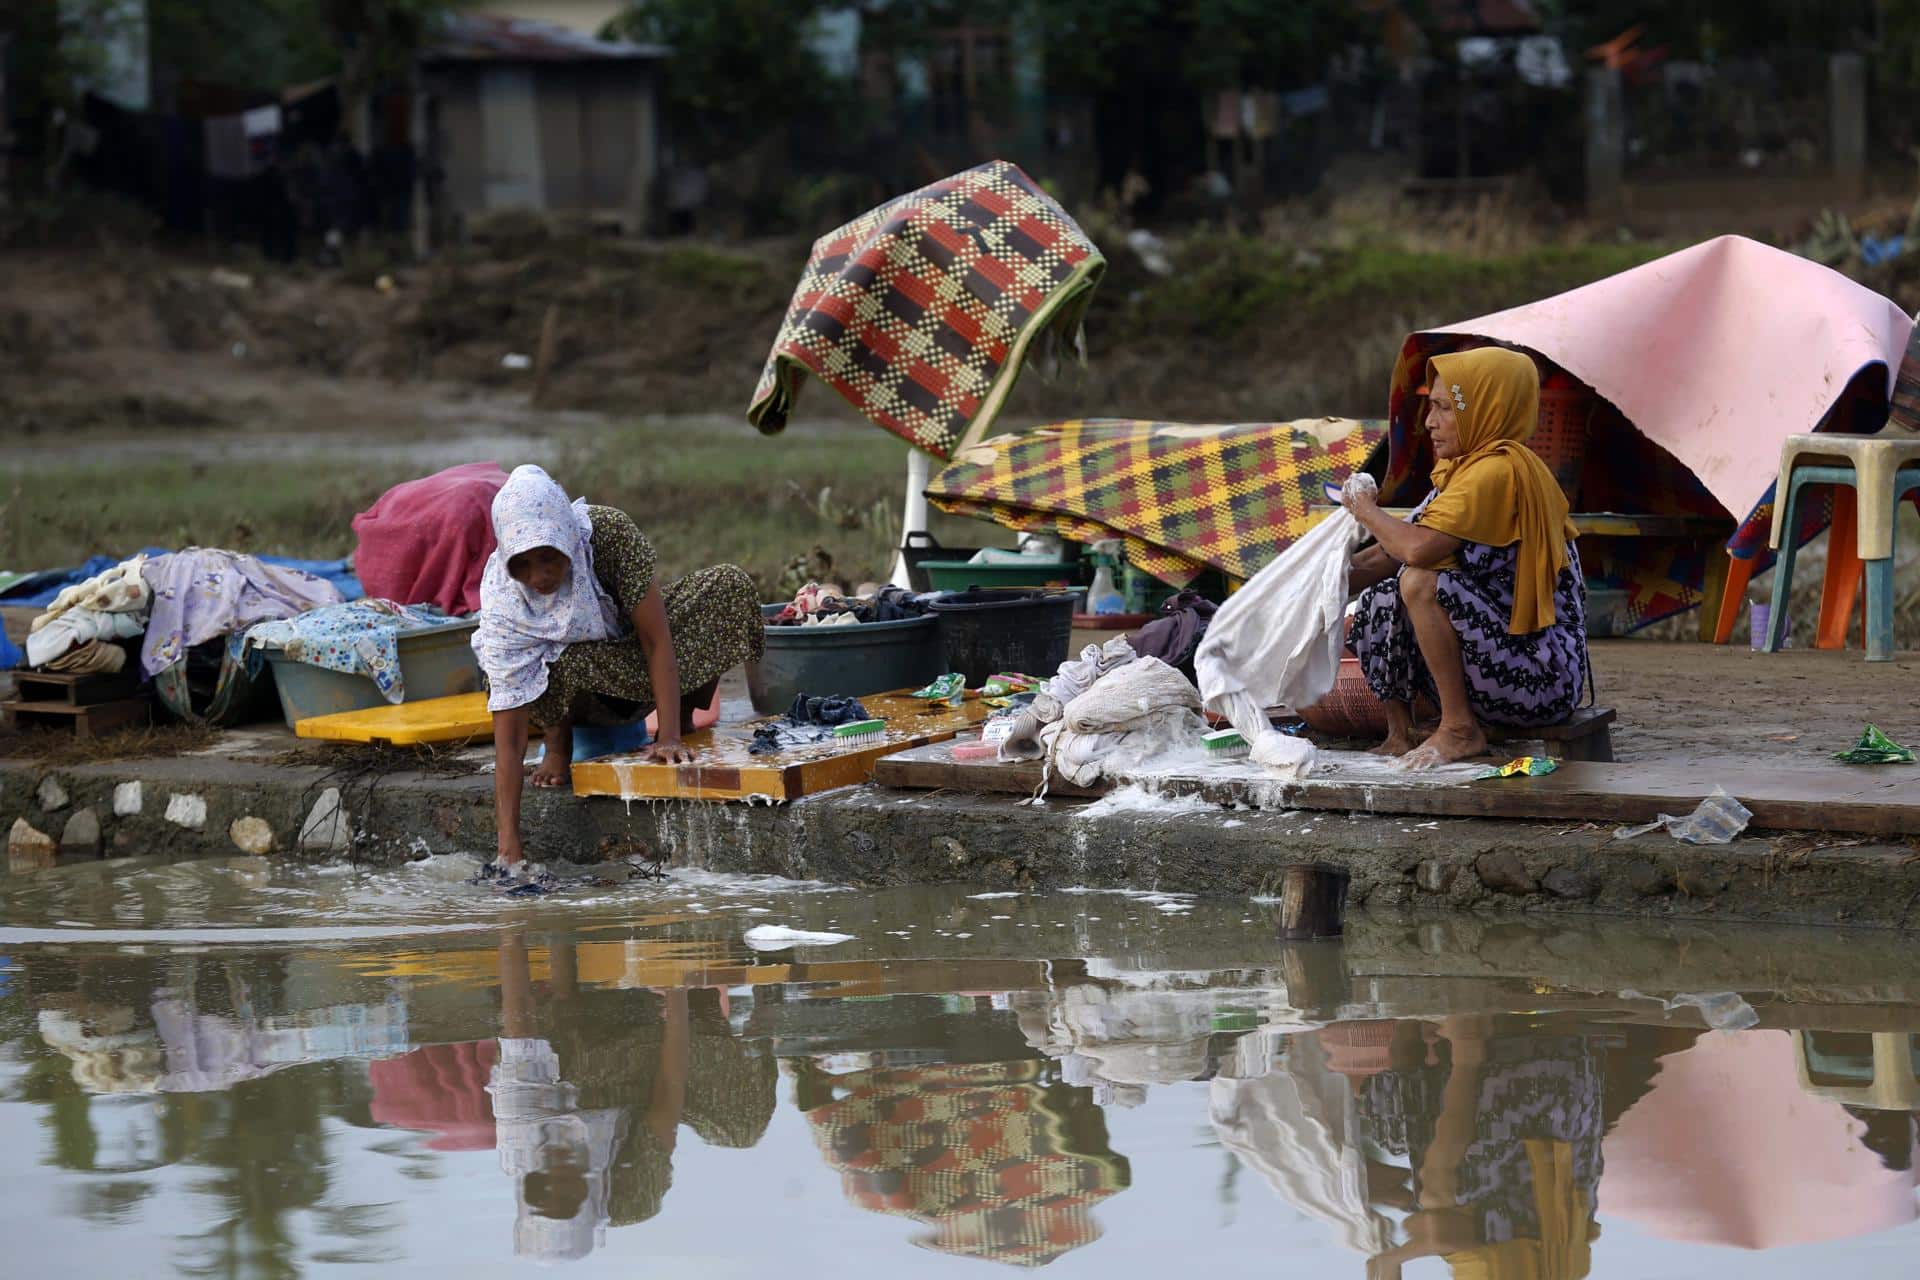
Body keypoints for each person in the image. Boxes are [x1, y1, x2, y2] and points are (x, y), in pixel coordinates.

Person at [475, 465, 764, 867]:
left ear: (567, 538)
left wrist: (668, 736)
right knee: (533, 663)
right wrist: (508, 849)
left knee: (726, 586)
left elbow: (655, 637)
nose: (537, 576)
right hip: (575, 689)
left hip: (631, 662)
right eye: (522, 564)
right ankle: (559, 743)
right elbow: (507, 734)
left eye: (548, 558)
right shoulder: (504, 603)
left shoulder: (608, 534)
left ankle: (681, 715)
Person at [1341, 347, 1588, 767]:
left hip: (1537, 675)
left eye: (1443, 408)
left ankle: (1459, 728)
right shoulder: (1462, 473)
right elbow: (1382, 558)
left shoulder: (1500, 472)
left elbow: (1417, 549)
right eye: (1429, 406)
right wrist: (1293, 592)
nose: (1429, 422)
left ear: (1487, 409)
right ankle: (1400, 733)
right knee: (1381, 593)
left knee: (1420, 580)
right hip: (1492, 666)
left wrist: (1364, 509)